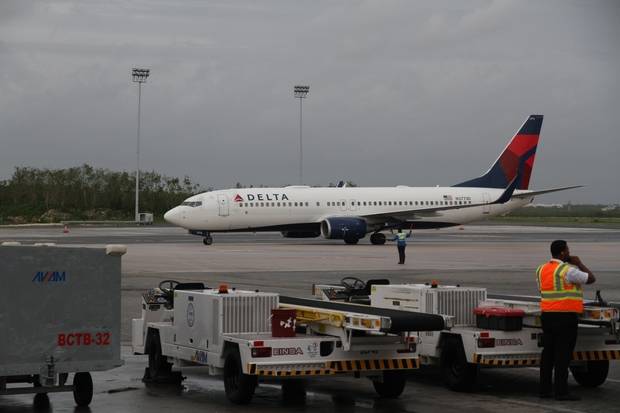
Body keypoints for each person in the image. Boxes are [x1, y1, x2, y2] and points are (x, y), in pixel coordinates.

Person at [537, 240, 595, 401]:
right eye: (568, 250)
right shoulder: (567, 270)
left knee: (548, 355)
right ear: (563, 253)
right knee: (563, 356)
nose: (569, 252)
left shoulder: (541, 269)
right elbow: (591, 279)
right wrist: (579, 263)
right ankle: (561, 392)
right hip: (565, 317)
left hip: (547, 316)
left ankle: (544, 390)